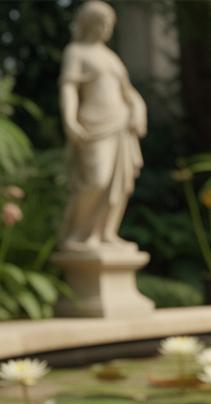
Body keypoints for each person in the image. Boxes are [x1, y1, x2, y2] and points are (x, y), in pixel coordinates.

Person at [59, 0, 146, 251]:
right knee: (97, 179)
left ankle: (105, 233)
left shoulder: (111, 58)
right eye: (102, 23)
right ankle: (77, 234)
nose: (107, 28)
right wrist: (69, 119)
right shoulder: (76, 52)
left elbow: (128, 92)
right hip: (94, 124)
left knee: (121, 182)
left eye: (110, 24)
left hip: (120, 124)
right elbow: (69, 88)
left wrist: (139, 109)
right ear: (88, 23)